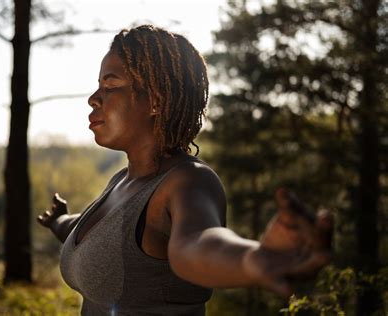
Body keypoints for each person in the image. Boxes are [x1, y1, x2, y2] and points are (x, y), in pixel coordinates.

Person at [37, 25, 333, 316]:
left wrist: (252, 259)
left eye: (111, 85)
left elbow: (197, 242)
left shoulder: (188, 181)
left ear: (155, 100)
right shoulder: (122, 182)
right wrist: (59, 220)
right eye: (99, 85)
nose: (94, 98)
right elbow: (95, 235)